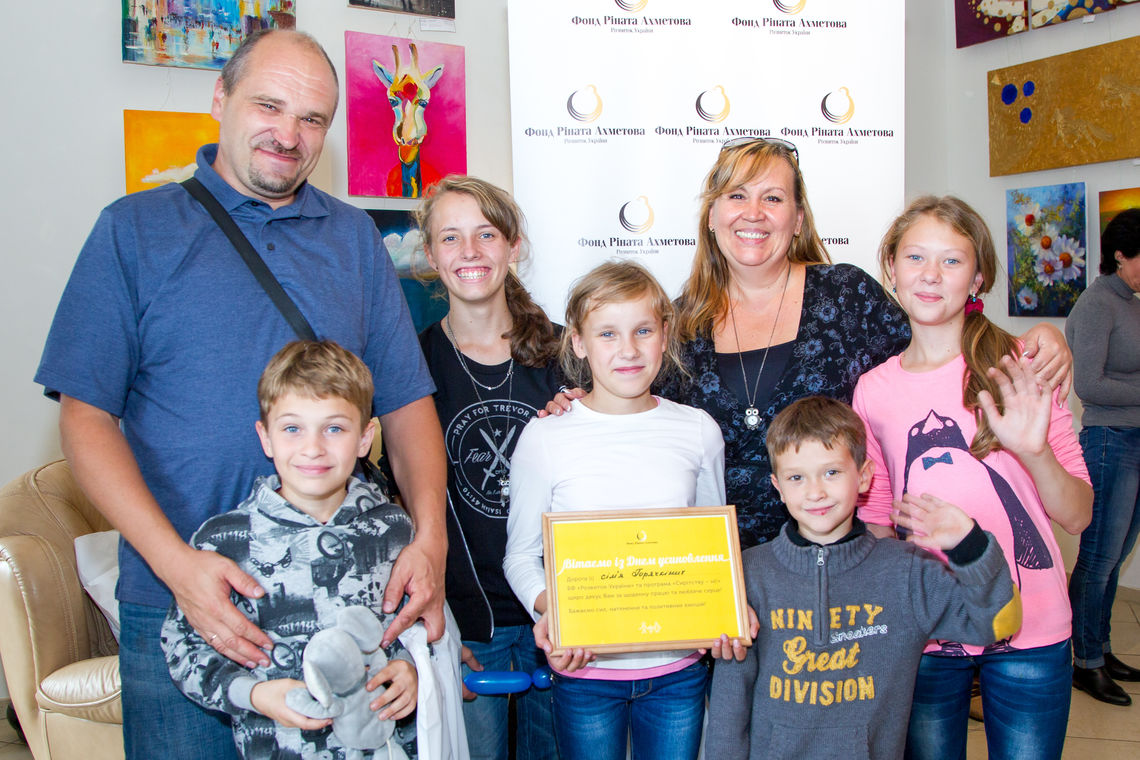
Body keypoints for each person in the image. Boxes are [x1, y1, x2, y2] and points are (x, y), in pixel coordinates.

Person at [34, 30, 447, 760]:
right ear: (220, 98)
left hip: (342, 601)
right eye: (269, 105)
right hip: (181, 599)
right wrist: (176, 565)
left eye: (312, 118)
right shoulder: (132, 230)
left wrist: (430, 540)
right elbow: (86, 419)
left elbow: (408, 404)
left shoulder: (353, 238)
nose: (288, 135)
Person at [550, 138, 1072, 552]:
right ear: (711, 215)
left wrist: (1037, 339)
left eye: (773, 198)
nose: (753, 212)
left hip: (840, 566)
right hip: (718, 575)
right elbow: (639, 412)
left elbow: (937, 350)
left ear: (797, 219)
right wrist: (582, 406)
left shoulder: (845, 295)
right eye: (736, 195)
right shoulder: (679, 324)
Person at [853, 196, 1092, 760]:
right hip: (929, 630)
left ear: (978, 277)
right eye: (915, 257)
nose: (930, 275)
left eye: (952, 260)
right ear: (891, 268)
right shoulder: (873, 389)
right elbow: (878, 521)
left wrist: (1034, 453)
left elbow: (1078, 514)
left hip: (1032, 626)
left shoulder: (1020, 364)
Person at [707, 395, 1020, 759]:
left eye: (832, 472)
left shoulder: (908, 571)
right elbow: (730, 702)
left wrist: (970, 545)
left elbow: (998, 623)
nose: (815, 492)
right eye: (797, 477)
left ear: (865, 476)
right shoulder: (749, 572)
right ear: (778, 487)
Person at [503, 261, 726, 760]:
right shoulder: (545, 437)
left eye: (643, 330)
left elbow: (714, 551)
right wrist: (554, 610)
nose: (628, 349)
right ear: (579, 342)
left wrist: (721, 610)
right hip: (584, 673)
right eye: (607, 333)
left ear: (664, 336)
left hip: (678, 674)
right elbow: (520, 557)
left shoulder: (698, 431)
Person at [163, 341, 420, 759]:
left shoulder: (393, 528)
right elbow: (183, 646)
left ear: (364, 438)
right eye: (292, 429)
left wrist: (411, 669)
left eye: (334, 429)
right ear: (265, 437)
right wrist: (253, 694)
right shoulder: (224, 542)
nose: (313, 447)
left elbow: (416, 625)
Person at [415, 176, 562, 760]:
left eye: (486, 234)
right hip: (465, 623)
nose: (469, 251)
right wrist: (434, 625)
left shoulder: (568, 354)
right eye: (450, 237)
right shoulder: (411, 362)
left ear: (513, 245)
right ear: (431, 255)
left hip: (562, 612)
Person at [1066, 207, 1140, 706]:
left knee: (1114, 559)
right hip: (1110, 439)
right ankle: (1085, 663)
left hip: (1133, 437)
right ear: (1120, 255)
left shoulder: (1131, 303)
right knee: (1098, 559)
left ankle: (1102, 649)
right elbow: (1089, 384)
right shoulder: (1097, 304)